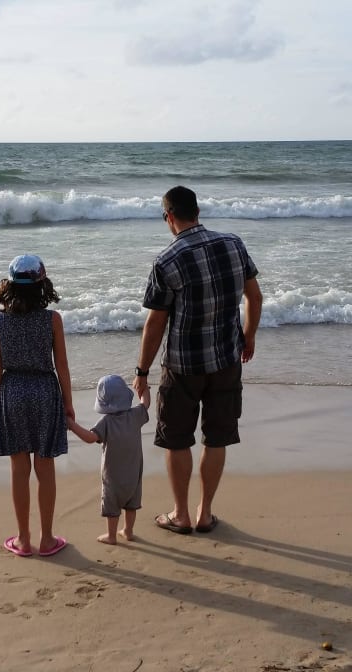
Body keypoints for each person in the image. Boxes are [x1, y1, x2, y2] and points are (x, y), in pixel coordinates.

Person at [135, 185, 262, 535]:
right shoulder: (234, 244)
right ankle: (204, 513)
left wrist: (142, 371)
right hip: (226, 359)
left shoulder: (167, 260)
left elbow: (156, 322)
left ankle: (181, 514)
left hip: (183, 366)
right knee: (217, 437)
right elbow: (254, 297)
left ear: (168, 217)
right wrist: (248, 336)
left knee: (177, 439)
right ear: (198, 212)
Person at [0, 254, 74, 557]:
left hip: (12, 391)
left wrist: (0, 404)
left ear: (10, 285)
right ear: (42, 284)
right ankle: (47, 538)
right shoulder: (52, 319)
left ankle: (24, 539)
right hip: (44, 390)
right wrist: (68, 404)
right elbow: (61, 365)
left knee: (19, 469)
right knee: (45, 466)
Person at [67, 374, 151, 545]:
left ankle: (111, 536)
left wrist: (72, 425)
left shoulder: (106, 422)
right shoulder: (135, 415)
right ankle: (128, 531)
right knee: (131, 504)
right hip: (134, 474)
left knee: (112, 506)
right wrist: (144, 387)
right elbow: (145, 403)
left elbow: (91, 438)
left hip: (112, 477)